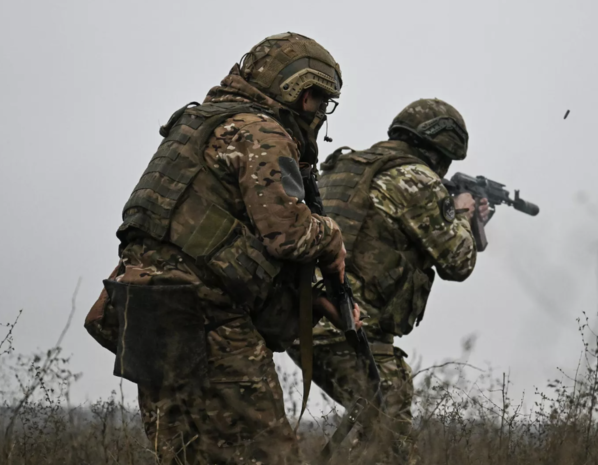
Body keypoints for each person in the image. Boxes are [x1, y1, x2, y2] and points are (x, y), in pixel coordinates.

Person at [84, 32, 355, 465]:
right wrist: (331, 237)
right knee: (264, 455)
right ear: (303, 94)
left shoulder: (198, 124)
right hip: (203, 316)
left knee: (184, 454)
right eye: (321, 102)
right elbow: (288, 232)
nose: (320, 115)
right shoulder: (260, 130)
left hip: (145, 309)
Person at [287, 98, 489, 464]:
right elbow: (458, 262)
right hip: (346, 327)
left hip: (304, 317)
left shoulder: (351, 165)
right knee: (389, 440)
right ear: (444, 149)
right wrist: (463, 215)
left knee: (377, 429)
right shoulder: (416, 180)